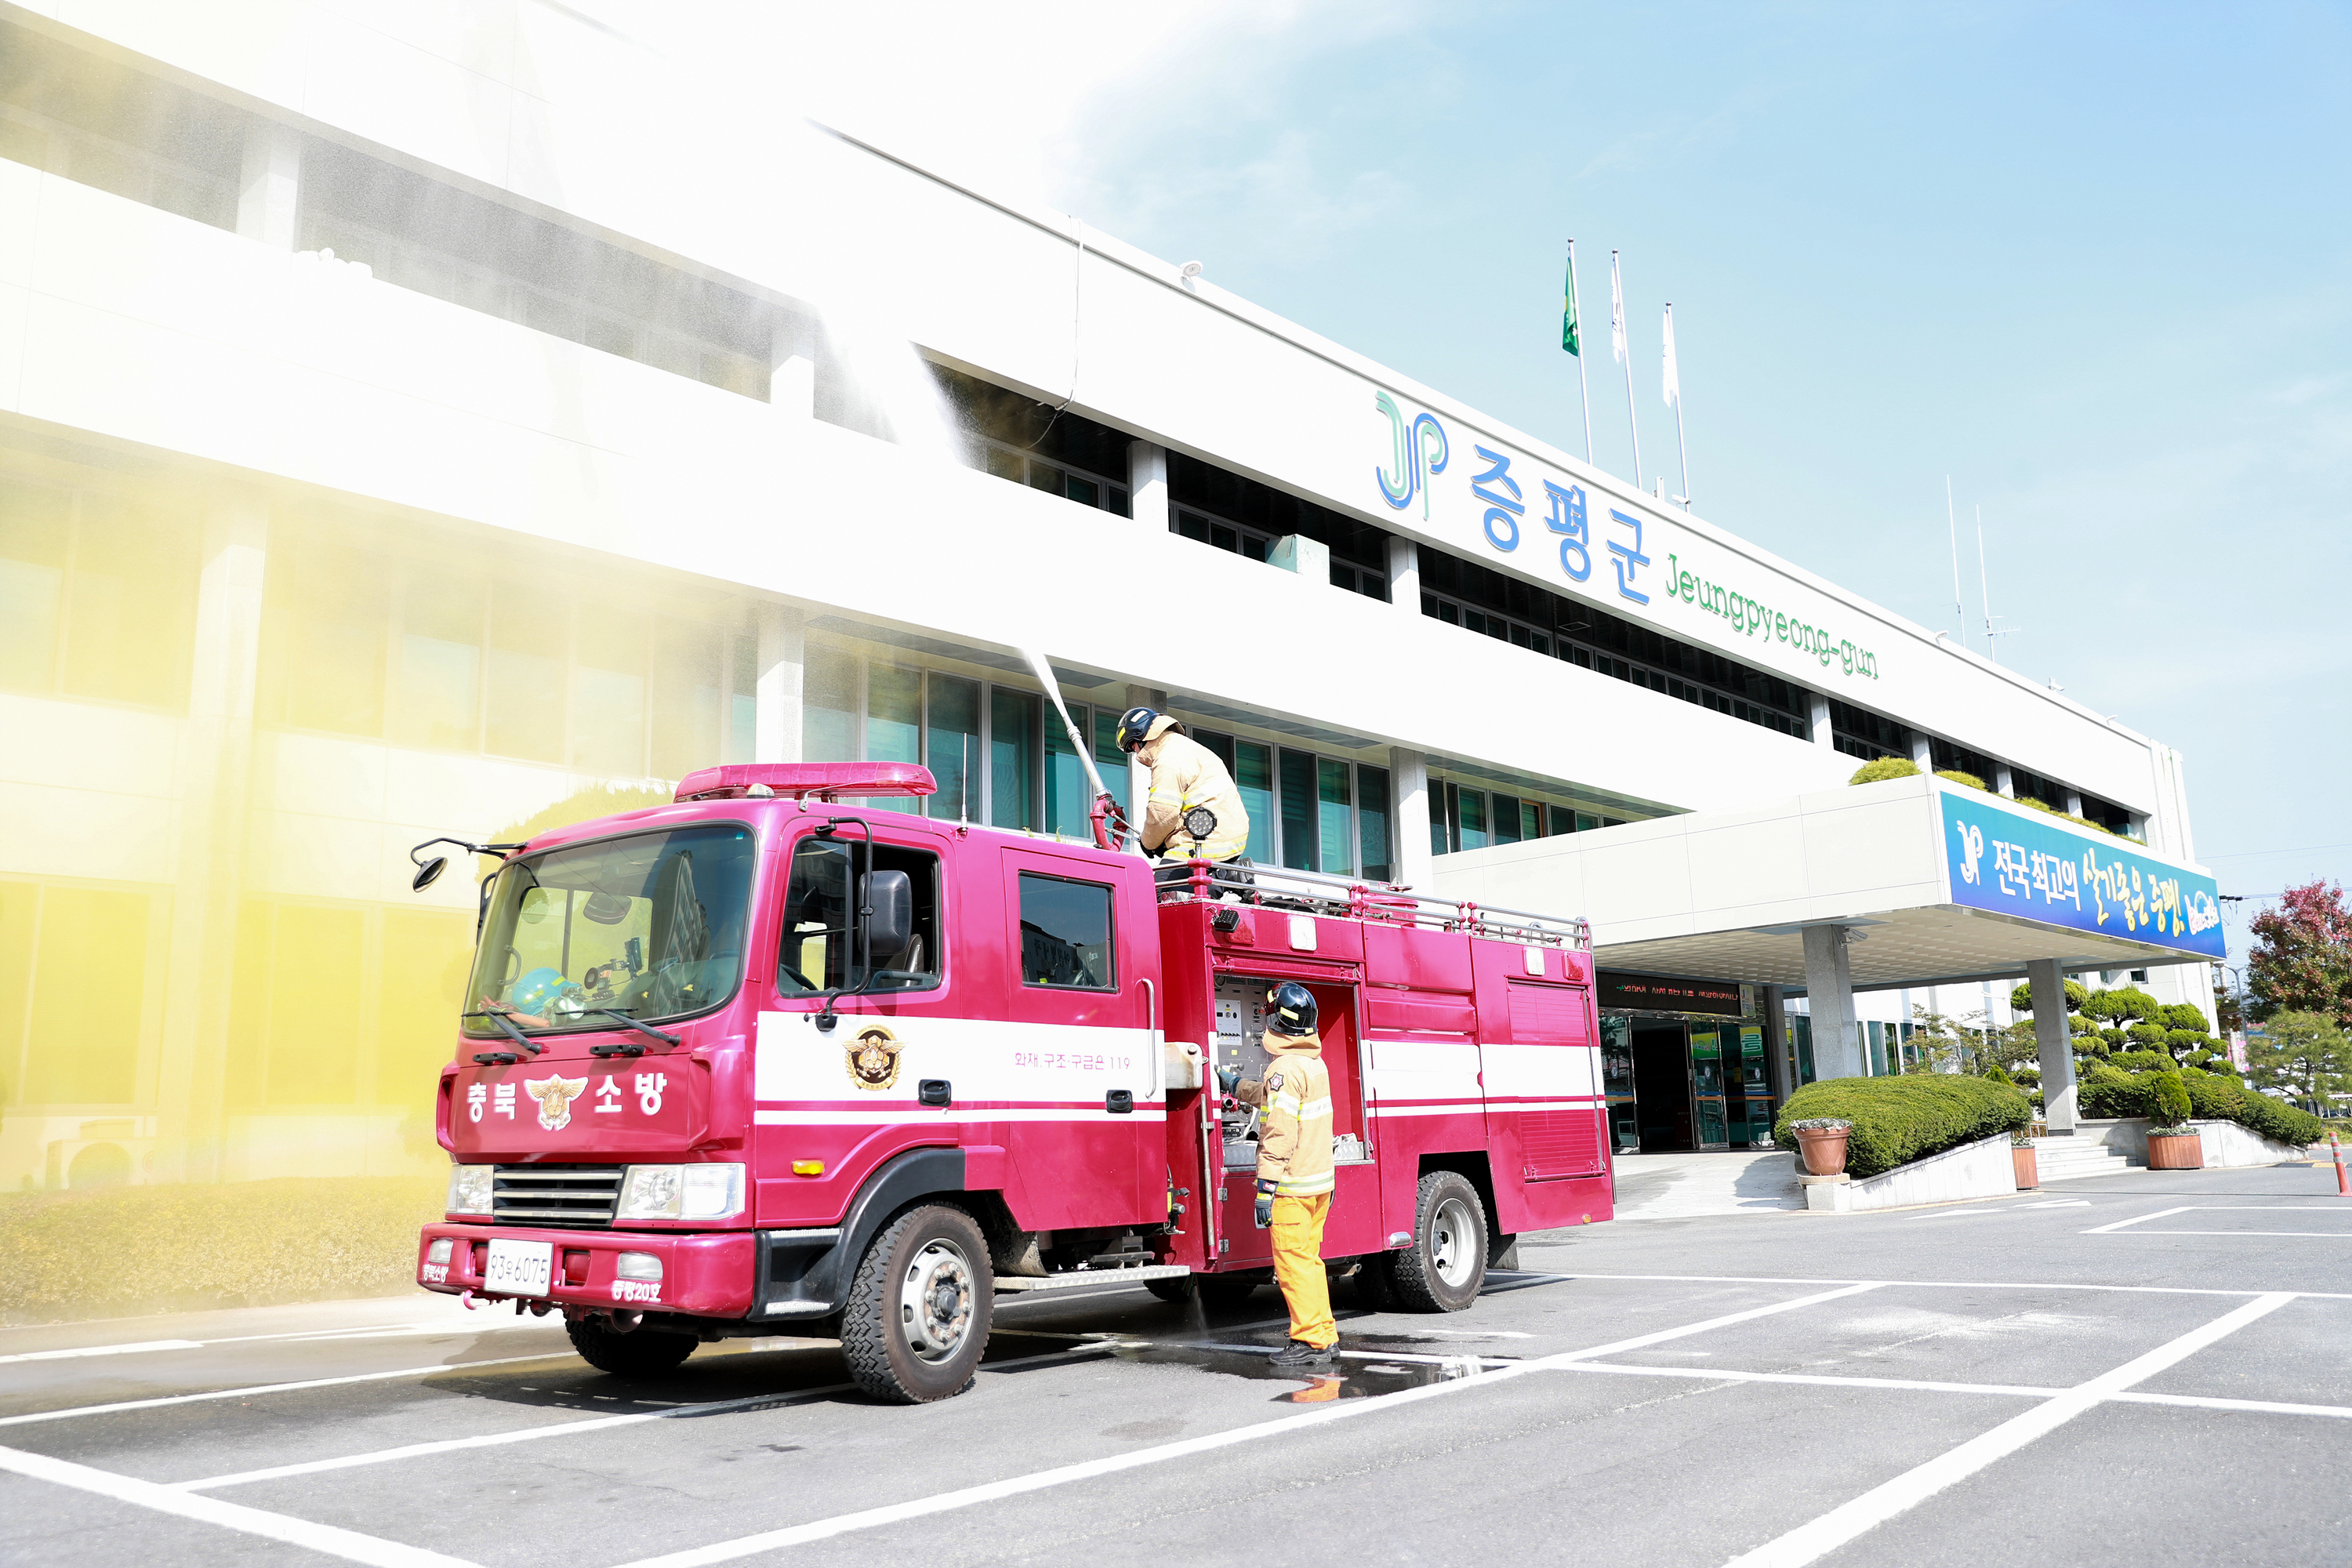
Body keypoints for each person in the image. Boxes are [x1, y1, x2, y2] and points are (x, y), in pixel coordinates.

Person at [1226, 982, 1337, 1370]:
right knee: (1310, 1261)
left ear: (1275, 1023)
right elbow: (1280, 1100)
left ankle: (1310, 1341)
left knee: (1293, 1263)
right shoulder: (1312, 1064)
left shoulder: (1283, 1069)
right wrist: (1237, 1086)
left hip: (1291, 1187)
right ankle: (1324, 1333)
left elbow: (1279, 1132)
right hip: (1319, 1184)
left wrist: (1265, 1188)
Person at [1114, 707, 1250, 891]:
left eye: (1132, 747)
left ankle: (1227, 878)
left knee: (1160, 891)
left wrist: (1149, 843)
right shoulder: (1183, 746)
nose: (1135, 753)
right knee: (1183, 887)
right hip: (1228, 834)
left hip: (1211, 839)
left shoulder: (1167, 760)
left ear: (1140, 737)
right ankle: (1227, 877)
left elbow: (1162, 815)